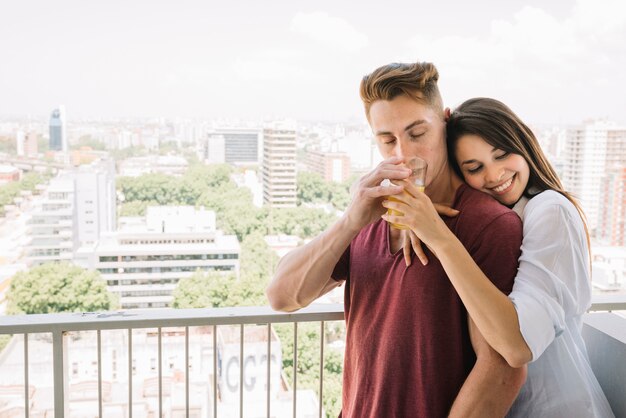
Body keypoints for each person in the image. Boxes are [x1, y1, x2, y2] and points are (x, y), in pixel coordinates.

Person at [266, 62, 527, 417]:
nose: (402, 153)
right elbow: (283, 296)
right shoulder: (370, 211)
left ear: (445, 123)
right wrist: (349, 222)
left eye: (417, 133)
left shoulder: (488, 223)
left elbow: (501, 369)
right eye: (387, 140)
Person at [390, 97, 615, 417]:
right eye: (475, 168)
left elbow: (517, 346)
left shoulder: (550, 209)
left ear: (523, 144)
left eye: (502, 154)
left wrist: (439, 237)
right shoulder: (502, 220)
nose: (495, 174)